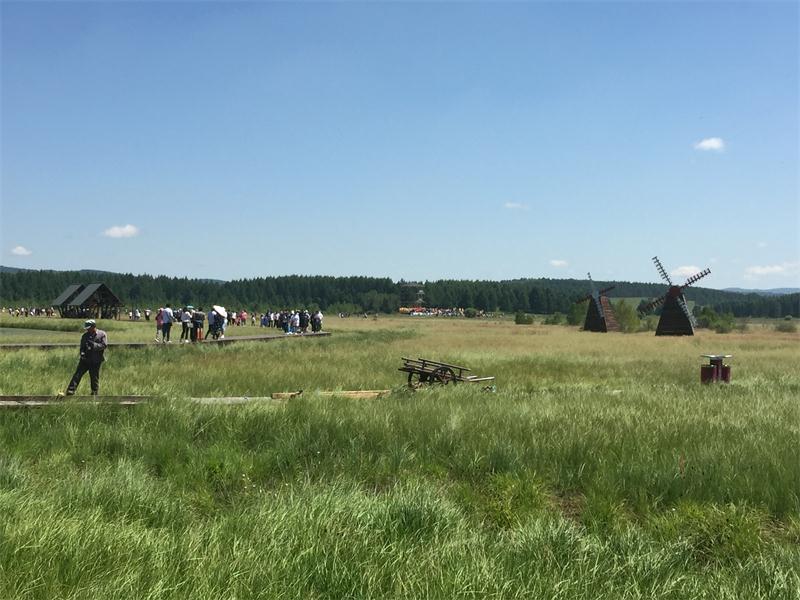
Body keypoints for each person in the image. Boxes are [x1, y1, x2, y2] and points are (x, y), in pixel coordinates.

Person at [65, 319, 108, 396]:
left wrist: (94, 345)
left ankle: (94, 394)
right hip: (85, 360)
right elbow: (82, 347)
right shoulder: (85, 336)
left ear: (93, 326)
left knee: (94, 377)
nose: (87, 330)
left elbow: (104, 345)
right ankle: (70, 391)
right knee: (77, 375)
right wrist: (82, 353)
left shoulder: (102, 334)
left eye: (89, 328)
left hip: (96, 360)